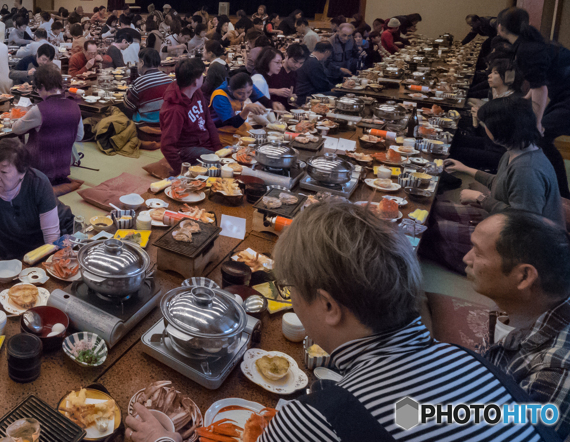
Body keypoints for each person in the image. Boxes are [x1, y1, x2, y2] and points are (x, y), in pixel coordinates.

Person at [131, 201, 554, 442]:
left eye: (291, 291)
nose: (291, 301)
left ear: (330, 307)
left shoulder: (316, 421)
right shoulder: (477, 368)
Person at [421, 96, 563, 273]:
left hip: (524, 247)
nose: (484, 128)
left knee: (436, 232)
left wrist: (480, 198)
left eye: (485, 125)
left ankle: (485, 270)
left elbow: (524, 222)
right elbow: (500, 183)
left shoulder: (527, 171)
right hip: (503, 222)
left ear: (500, 130)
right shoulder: (518, 150)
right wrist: (465, 168)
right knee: (436, 208)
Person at [463, 211, 570, 439]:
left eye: (478, 252)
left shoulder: (555, 371)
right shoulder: (518, 305)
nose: (466, 258)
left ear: (523, 277)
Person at [0, 139, 64, 272]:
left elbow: (51, 237)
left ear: (22, 173)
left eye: (3, 172)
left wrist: (49, 264)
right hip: (12, 250)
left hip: (46, 242)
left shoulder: (39, 183)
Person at [497, 7, 570, 198]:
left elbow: (540, 87)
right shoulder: (528, 45)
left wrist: (537, 123)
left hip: (567, 96)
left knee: (539, 136)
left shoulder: (526, 49)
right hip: (564, 94)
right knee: (543, 138)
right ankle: (559, 193)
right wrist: (527, 99)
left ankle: (561, 195)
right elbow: (539, 83)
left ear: (500, 27)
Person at [12, 65, 83, 185]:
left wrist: (19, 115)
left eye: (37, 89)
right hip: (64, 166)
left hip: (38, 168)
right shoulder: (75, 106)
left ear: (42, 87)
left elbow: (16, 129)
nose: (38, 92)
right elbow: (79, 136)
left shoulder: (39, 110)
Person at [160, 58, 220, 173]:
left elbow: (209, 121)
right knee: (217, 164)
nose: (204, 77)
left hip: (203, 143)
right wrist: (182, 172)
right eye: (202, 75)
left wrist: (219, 149)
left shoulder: (197, 92)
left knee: (227, 156)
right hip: (185, 149)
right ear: (195, 81)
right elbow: (167, 146)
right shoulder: (174, 109)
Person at [124, 48, 172, 125]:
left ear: (142, 62)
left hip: (146, 125)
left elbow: (128, 106)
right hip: (166, 123)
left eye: (138, 62)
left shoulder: (140, 82)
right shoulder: (168, 79)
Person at [251, 47, 289, 111]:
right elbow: (259, 106)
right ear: (267, 61)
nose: (280, 66)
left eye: (281, 62)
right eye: (277, 62)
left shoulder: (271, 75)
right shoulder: (258, 79)